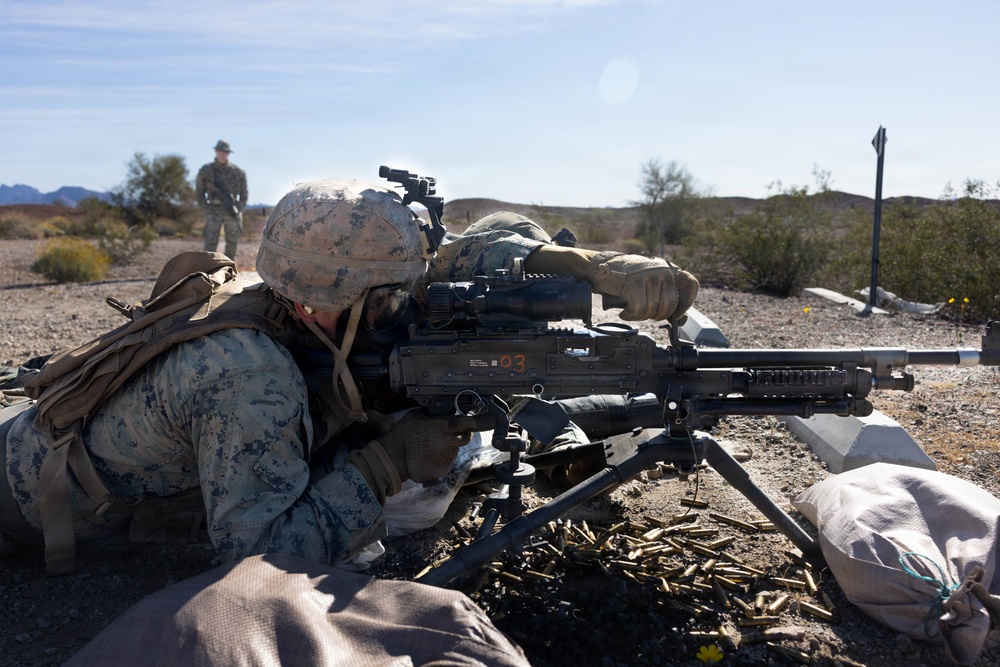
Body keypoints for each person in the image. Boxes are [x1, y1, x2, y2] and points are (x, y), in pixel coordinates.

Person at [0, 177, 698, 575]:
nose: (404, 308)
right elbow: (257, 560)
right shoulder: (252, 379)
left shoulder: (300, 285)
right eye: (388, 299)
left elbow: (445, 259)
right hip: (21, 506)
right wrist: (384, 464)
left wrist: (582, 271)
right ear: (319, 302)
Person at [195, 140, 248, 260]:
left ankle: (228, 269)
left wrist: (238, 209)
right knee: (210, 241)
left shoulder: (238, 172)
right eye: (220, 151)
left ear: (229, 153)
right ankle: (208, 269)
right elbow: (199, 192)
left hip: (232, 210)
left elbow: (244, 194)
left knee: (232, 242)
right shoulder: (206, 170)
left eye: (225, 152)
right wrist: (207, 207)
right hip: (213, 209)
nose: (222, 154)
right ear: (215, 151)